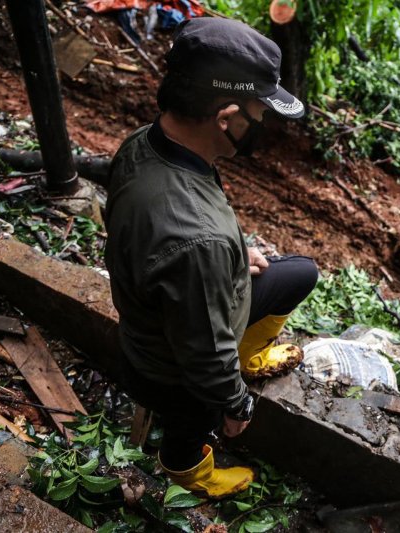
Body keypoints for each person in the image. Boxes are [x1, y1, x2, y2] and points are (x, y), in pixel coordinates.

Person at [104, 17, 318, 498]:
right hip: (169, 371)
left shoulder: (144, 144)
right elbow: (203, 361)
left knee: (300, 272)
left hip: (151, 319)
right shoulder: (200, 242)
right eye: (261, 113)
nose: (263, 124)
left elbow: (153, 231)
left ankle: (246, 357)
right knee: (197, 410)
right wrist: (236, 405)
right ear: (226, 117)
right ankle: (188, 471)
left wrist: (231, 253)